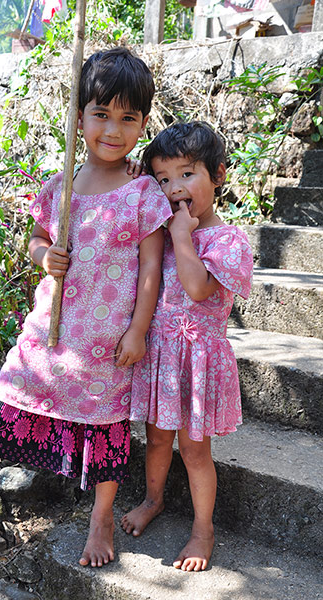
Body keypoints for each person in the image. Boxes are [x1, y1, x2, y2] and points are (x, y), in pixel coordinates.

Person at [0, 47, 172, 569]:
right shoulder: (60, 186)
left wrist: (138, 330)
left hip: (106, 342)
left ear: (143, 124)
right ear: (78, 117)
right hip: (49, 335)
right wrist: (45, 256)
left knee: (106, 428)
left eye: (128, 118)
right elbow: (36, 240)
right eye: (100, 114)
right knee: (5, 400)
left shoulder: (142, 192)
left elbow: (152, 268)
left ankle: (101, 517)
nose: (113, 129)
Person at [121, 121, 253, 571]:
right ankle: (153, 499)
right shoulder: (161, 229)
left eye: (187, 174)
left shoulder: (228, 240)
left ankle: (203, 529)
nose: (174, 187)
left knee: (194, 450)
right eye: (164, 178)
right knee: (156, 439)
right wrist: (142, 178)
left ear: (216, 174)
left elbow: (198, 289)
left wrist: (181, 235)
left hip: (197, 360)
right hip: (161, 354)